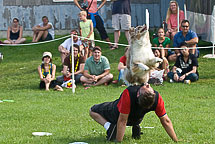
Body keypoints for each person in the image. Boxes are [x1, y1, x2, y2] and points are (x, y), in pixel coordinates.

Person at [89, 83, 178, 142]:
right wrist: (175, 140)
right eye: (149, 88)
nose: (148, 84)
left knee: (92, 110)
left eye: (147, 88)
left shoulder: (129, 93)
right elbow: (166, 121)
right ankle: (136, 128)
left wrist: (118, 141)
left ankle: (109, 127)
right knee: (135, 114)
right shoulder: (156, 97)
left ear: (138, 94)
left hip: (116, 114)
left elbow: (122, 121)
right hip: (136, 119)